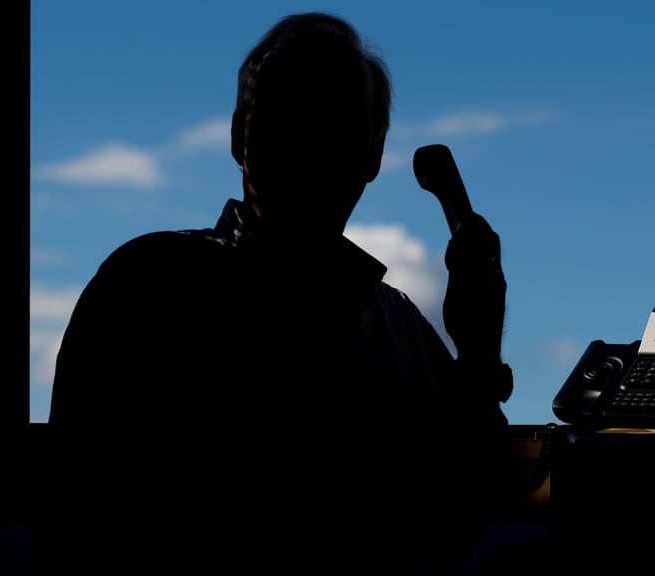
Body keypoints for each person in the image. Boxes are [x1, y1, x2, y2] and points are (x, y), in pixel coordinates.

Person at [35, 11, 513, 574]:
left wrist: (478, 355)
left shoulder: (399, 326)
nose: (311, 142)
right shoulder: (146, 288)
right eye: (290, 114)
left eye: (336, 122)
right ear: (241, 136)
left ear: (372, 156)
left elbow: (451, 524)